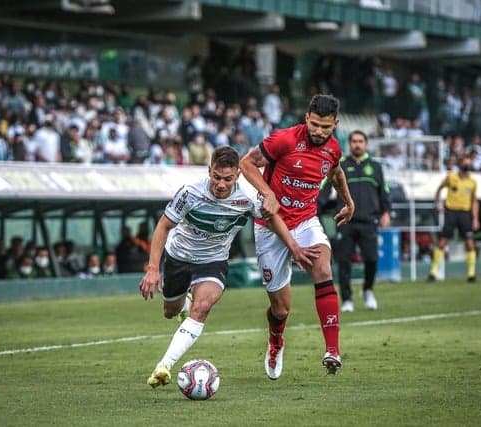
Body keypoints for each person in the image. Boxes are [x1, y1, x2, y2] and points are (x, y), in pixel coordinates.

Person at [140, 146, 318, 389]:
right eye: (216, 177)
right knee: (170, 311)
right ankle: (183, 304)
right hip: (178, 258)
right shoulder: (190, 193)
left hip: (213, 262)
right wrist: (152, 268)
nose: (220, 184)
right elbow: (163, 226)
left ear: (237, 175)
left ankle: (164, 366)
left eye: (227, 178)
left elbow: (272, 217)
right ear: (209, 170)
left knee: (202, 308)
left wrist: (294, 246)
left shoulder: (247, 197)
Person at [239, 94, 355, 378]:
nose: (318, 131)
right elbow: (246, 163)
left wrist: (348, 201)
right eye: (314, 124)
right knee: (280, 309)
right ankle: (276, 340)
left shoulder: (333, 149)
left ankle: (332, 351)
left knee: (323, 267)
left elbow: (336, 173)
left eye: (325, 127)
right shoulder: (284, 140)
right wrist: (266, 192)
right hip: (270, 225)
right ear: (306, 118)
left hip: (305, 221)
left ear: (335, 124)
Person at [322, 130, 391, 312]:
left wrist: (386, 212)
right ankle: (347, 299)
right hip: (345, 222)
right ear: (349, 144)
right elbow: (323, 189)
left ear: (366, 144)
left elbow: (384, 191)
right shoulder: (339, 166)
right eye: (354, 141)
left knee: (372, 259)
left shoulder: (375, 167)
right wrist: (314, 209)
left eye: (361, 141)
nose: (357, 144)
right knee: (344, 261)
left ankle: (368, 290)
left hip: (369, 221)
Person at [428, 152, 480, 283]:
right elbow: (439, 189)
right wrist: (438, 204)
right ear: (460, 163)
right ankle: (433, 272)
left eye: (469, 162)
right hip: (451, 212)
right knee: (442, 241)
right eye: (464, 161)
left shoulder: (472, 182)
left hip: (465, 213)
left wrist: (475, 218)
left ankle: (471, 274)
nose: (467, 164)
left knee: (469, 243)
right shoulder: (451, 177)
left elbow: (474, 200)